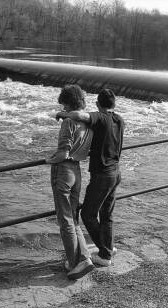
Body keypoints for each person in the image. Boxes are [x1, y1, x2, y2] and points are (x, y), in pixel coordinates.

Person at [56, 88, 124, 267]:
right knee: (106, 214)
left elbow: (80, 115)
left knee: (87, 214)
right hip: (116, 173)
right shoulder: (119, 120)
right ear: (114, 104)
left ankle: (105, 252)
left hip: (102, 176)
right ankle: (108, 248)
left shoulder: (101, 118)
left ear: (97, 104)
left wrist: (62, 113)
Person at [46, 84, 94, 280]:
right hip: (77, 170)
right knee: (73, 218)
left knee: (64, 219)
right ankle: (83, 258)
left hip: (64, 170)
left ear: (68, 103)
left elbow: (63, 152)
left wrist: (49, 160)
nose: (63, 109)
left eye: (64, 105)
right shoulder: (89, 122)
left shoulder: (68, 122)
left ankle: (76, 262)